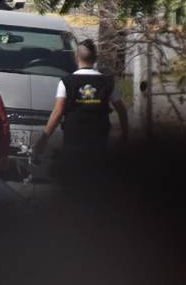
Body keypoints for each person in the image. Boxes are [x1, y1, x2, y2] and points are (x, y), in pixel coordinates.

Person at [32, 39, 129, 181]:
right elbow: (121, 110)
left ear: (76, 58)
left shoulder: (66, 82)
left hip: (73, 141)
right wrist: (125, 137)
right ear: (95, 59)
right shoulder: (107, 82)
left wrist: (43, 139)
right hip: (99, 142)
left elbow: (57, 113)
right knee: (96, 182)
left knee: (73, 181)